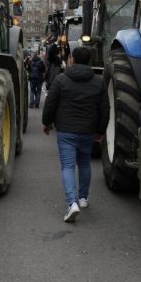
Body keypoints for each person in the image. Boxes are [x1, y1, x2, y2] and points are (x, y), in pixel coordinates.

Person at [42, 46, 109, 223]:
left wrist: (47, 123)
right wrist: (100, 131)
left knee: (68, 166)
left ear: (72, 59)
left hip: (66, 130)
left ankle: (72, 203)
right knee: (85, 164)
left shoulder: (61, 79)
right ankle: (83, 198)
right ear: (89, 61)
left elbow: (50, 103)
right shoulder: (98, 82)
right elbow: (105, 109)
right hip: (88, 131)